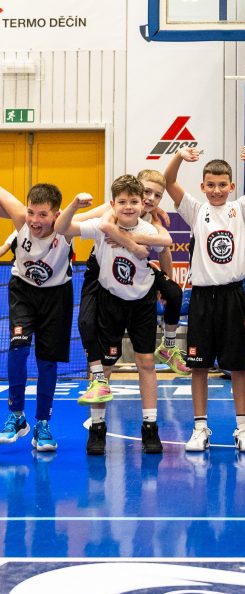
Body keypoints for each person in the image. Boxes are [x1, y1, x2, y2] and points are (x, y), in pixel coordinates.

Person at [164, 145, 245, 452]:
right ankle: (200, 428)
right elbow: (168, 181)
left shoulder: (240, 208)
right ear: (202, 186)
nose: (216, 190)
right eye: (210, 185)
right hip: (201, 299)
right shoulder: (196, 210)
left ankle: (243, 429)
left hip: (232, 296)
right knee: (198, 366)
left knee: (238, 366)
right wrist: (178, 157)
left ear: (231, 186)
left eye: (222, 184)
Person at [55, 174, 172, 456]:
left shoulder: (149, 228)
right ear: (113, 204)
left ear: (141, 203)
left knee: (146, 363)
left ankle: (150, 426)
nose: (128, 206)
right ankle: (97, 427)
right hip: (110, 300)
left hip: (141, 302)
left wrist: (165, 282)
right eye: (122, 202)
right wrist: (74, 205)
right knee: (105, 365)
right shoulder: (101, 226)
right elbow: (61, 228)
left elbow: (165, 245)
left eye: (134, 201)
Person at [75, 169, 188, 407]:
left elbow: (165, 246)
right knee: (87, 322)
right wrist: (129, 242)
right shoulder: (115, 209)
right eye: (146, 192)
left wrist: (165, 282)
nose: (150, 198)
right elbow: (99, 224)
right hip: (102, 270)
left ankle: (168, 347)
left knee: (174, 292)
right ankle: (98, 381)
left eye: (157, 195)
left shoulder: (151, 216)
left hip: (135, 269)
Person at [0, 183, 89, 452]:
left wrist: (147, 206)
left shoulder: (66, 228)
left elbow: (108, 211)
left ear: (56, 214)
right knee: (17, 349)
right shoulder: (21, 219)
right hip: (23, 292)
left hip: (57, 297)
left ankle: (42, 425)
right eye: (31, 212)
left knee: (47, 363)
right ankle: (16, 416)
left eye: (42, 214)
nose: (35, 220)